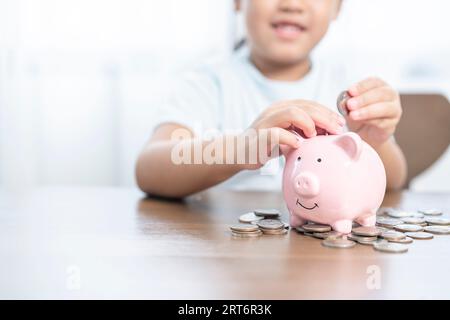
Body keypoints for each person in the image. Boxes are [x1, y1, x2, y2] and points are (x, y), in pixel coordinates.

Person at [136, 0, 407, 198]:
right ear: (238, 3)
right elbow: (149, 170)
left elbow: (394, 182)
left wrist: (373, 140)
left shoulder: (350, 86)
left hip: (323, 255)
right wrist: (240, 149)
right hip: (226, 247)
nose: (292, 4)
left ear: (338, 8)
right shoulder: (208, 82)